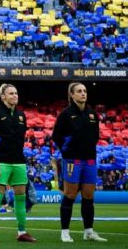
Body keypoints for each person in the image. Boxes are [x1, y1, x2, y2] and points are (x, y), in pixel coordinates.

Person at [52, 82, 107, 242]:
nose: (83, 93)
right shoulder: (66, 114)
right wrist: (67, 152)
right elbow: (56, 136)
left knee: (89, 196)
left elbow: (95, 136)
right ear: (72, 95)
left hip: (90, 159)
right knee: (69, 195)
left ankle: (88, 231)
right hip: (72, 160)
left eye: (84, 91)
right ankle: (65, 232)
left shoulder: (92, 114)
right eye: (79, 91)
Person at [0, 84, 36, 243]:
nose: (14, 96)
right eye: (11, 93)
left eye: (16, 93)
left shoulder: (21, 115)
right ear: (3, 96)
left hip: (18, 161)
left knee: (20, 197)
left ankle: (22, 232)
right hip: (0, 161)